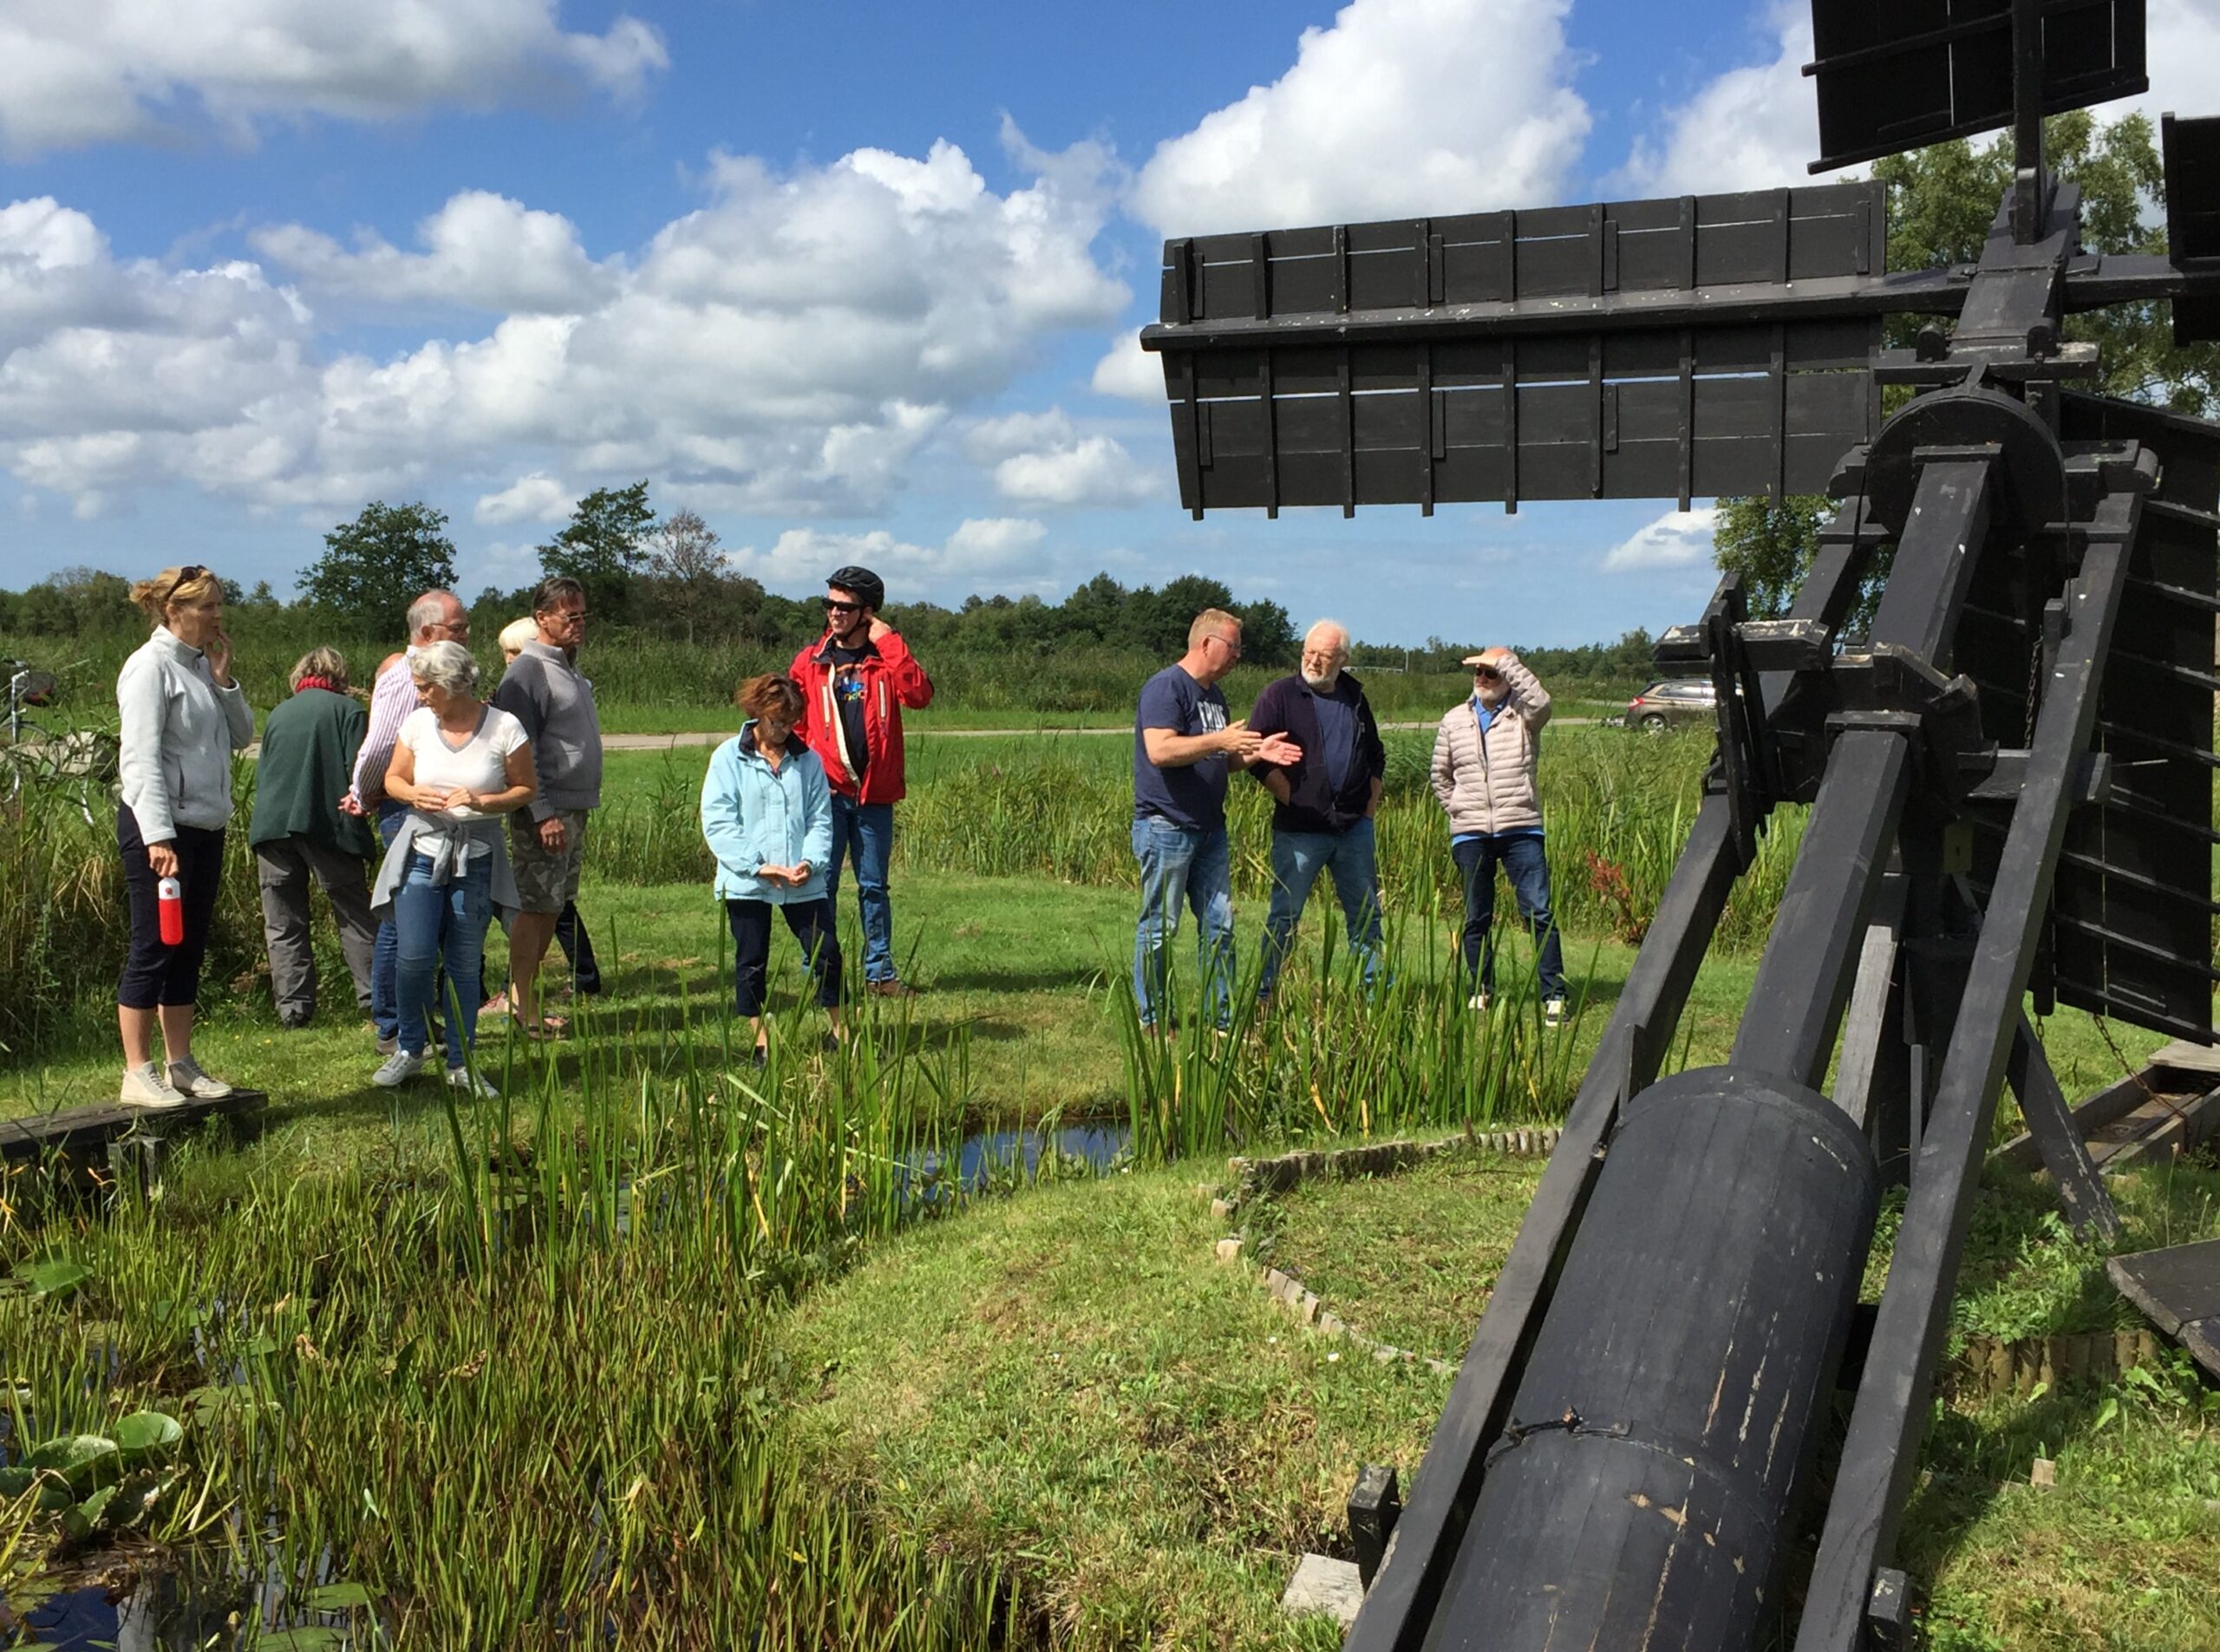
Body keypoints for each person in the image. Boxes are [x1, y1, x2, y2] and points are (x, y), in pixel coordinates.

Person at [113, 565, 255, 1107]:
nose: (219, 615)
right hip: (160, 831)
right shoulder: (149, 668)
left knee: (188, 947)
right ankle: (136, 1070)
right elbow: (140, 760)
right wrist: (157, 837)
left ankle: (182, 1064)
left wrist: (223, 680)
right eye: (209, 606)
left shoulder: (198, 668)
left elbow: (243, 735)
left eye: (220, 605)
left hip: (204, 827)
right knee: (153, 944)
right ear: (175, 611)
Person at [370, 641, 536, 1094]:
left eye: (426, 688)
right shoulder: (418, 724)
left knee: (464, 963)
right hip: (421, 850)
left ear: (452, 685)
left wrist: (485, 802)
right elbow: (393, 778)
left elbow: (525, 788)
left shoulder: (505, 727)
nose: (420, 696)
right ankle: (409, 1048)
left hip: (477, 859)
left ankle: (463, 1063)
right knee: (415, 956)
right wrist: (410, 795)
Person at [1130, 609, 1301, 1032]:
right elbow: (1161, 751)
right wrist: (1220, 740)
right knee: (1160, 928)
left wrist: (1255, 754)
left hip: (1210, 829)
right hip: (1166, 827)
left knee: (1220, 927)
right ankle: (1152, 1019)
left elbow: (1218, 762)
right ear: (1206, 644)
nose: (1238, 655)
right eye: (1233, 646)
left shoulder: (1213, 697)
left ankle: (1221, 1020)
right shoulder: (1166, 688)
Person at [787, 564, 932, 997]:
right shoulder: (811, 660)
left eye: (844, 606)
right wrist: (803, 773)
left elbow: (919, 696)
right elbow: (793, 719)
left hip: (875, 795)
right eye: (829, 604)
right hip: (826, 795)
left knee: (873, 887)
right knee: (821, 885)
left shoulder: (884, 660)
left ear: (867, 613)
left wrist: (888, 641)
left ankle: (880, 974)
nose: (834, 613)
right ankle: (821, 972)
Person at [349, 589, 472, 1055]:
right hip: (406, 807)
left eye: (465, 628)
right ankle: (394, 1025)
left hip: (437, 808)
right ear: (426, 633)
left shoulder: (444, 671)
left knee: (427, 920)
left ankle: (417, 1018)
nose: (465, 637)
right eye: (457, 629)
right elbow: (380, 743)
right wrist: (364, 792)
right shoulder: (408, 673)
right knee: (402, 917)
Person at [701, 674, 844, 1064]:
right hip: (748, 881)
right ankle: (762, 1043)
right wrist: (758, 867)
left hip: (802, 879)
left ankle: (841, 1033)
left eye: (791, 722)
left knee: (826, 951)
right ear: (756, 712)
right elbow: (718, 821)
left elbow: (820, 818)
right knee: (752, 960)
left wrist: (810, 862)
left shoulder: (809, 760)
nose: (783, 730)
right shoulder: (728, 757)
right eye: (776, 721)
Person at [1248, 620, 1388, 1005]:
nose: (1313, 661)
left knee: (1366, 916)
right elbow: (1254, 755)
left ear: (1342, 659)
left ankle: (1375, 994)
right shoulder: (1278, 695)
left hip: (1354, 829)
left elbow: (1376, 755)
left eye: (1324, 656)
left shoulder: (1355, 698)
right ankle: (1265, 992)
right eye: (1308, 652)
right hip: (1300, 830)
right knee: (1285, 915)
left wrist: (1370, 806)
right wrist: (1289, 795)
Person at [1430, 646, 1568, 1025]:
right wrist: (1458, 808)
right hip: (1470, 834)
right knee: (1477, 915)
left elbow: (1542, 701)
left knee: (1538, 912)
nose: (1482, 678)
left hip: (1521, 826)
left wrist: (1506, 661)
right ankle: (1480, 989)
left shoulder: (1523, 715)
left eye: (1490, 673)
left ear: (1507, 677)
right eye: (1478, 672)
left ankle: (1553, 995)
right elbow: (1440, 775)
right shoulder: (1454, 720)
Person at [492, 578, 603, 1038]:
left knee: (554, 906)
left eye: (582, 616)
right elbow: (523, 750)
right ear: (541, 619)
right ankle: (523, 1007)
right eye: (568, 617)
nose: (578, 625)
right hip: (547, 812)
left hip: (572, 808)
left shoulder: (568, 667)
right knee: (536, 907)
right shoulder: (527, 673)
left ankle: (524, 1000)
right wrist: (542, 813)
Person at [249, 648, 379, 1028]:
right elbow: (358, 773)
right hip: (325, 824)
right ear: (340, 675)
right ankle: (373, 999)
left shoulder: (278, 714)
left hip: (271, 827)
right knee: (354, 914)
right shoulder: (347, 712)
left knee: (283, 922)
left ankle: (293, 1011)